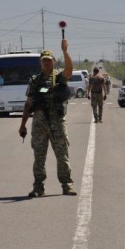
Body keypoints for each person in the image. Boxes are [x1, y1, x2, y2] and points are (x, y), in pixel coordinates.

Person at [18, 39, 77, 197]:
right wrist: (23, 124)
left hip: (57, 123)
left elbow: (70, 71)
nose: (46, 63)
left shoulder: (58, 77)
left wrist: (65, 52)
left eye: (49, 61)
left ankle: (67, 185)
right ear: (40, 63)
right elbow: (28, 104)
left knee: (62, 156)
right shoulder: (35, 82)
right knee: (39, 157)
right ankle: (38, 187)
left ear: (53, 62)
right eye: (43, 61)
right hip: (39, 124)